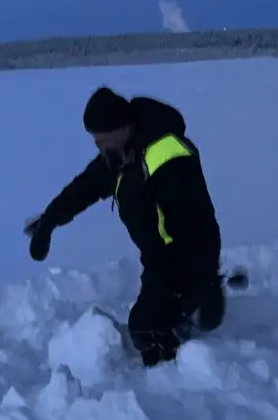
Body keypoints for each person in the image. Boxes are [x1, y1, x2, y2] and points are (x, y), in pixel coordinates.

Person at [24, 85, 226, 366]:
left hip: (186, 257)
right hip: (157, 260)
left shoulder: (169, 156)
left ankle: (200, 309)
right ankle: (180, 314)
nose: (97, 145)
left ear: (122, 127)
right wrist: (48, 222)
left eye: (100, 139)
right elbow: (83, 189)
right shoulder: (119, 155)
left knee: (157, 326)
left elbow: (193, 225)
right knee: (145, 330)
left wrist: (196, 279)